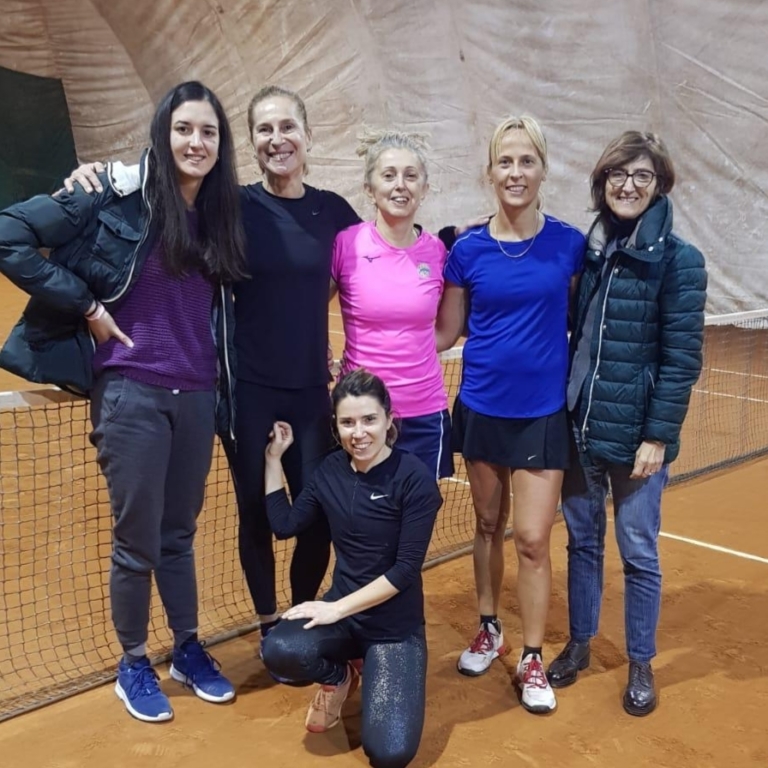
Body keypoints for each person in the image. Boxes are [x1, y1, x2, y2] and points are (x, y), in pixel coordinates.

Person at [0, 81, 248, 722]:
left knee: (179, 534)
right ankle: (133, 662)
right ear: (163, 133)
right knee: (137, 542)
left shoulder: (221, 215)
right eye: (184, 128)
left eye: (209, 132)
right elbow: (9, 234)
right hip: (130, 392)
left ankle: (187, 648)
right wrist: (86, 304)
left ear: (221, 145)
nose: (196, 142)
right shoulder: (113, 194)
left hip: (196, 395)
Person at [546, 131, 706, 716]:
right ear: (602, 182)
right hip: (581, 429)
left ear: (659, 184)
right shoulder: (592, 251)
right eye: (618, 174)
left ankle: (641, 662)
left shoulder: (681, 261)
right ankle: (580, 643)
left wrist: (658, 436)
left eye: (642, 175)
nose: (628, 185)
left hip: (638, 440)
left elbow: (681, 359)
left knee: (638, 552)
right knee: (582, 543)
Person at [435, 115, 586, 714]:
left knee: (531, 539)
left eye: (527, 161)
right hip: (481, 408)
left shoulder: (569, 245)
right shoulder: (467, 250)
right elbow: (444, 333)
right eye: (505, 162)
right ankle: (489, 627)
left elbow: (582, 320)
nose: (516, 172)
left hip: (542, 413)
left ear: (543, 170)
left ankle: (531, 657)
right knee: (486, 524)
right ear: (490, 172)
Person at [260, 369, 442, 768]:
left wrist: (335, 608)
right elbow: (284, 525)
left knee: (389, 753)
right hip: (343, 618)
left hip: (394, 629)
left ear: (389, 419)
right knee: (279, 650)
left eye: (369, 419)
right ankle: (339, 678)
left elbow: (404, 571)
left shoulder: (414, 479)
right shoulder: (330, 471)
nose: (359, 433)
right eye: (347, 423)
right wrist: (273, 459)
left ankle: (373, 664)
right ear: (336, 426)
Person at [330, 130, 453, 481]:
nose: (401, 185)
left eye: (410, 176)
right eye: (389, 175)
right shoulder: (347, 244)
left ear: (424, 188)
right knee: (360, 514)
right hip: (361, 414)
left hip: (425, 413)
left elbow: (446, 332)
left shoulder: (437, 252)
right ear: (370, 189)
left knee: (418, 514)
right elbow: (307, 307)